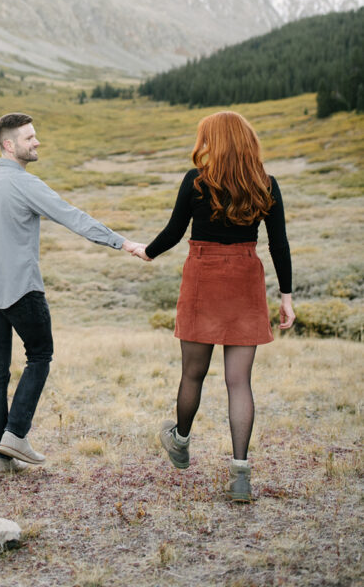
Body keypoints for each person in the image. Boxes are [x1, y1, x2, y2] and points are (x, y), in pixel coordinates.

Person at [0, 112, 141, 474]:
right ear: (9, 145)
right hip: (21, 290)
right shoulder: (26, 183)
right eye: (29, 138)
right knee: (40, 355)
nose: (36, 142)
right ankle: (16, 434)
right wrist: (122, 243)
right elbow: (72, 217)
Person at [132, 110, 295, 502]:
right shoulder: (266, 184)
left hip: (204, 274)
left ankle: (181, 441)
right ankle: (240, 474)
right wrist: (286, 297)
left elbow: (174, 231)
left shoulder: (197, 181)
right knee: (239, 382)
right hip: (245, 277)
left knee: (193, 374)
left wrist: (147, 252)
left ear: (213, 141)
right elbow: (279, 244)